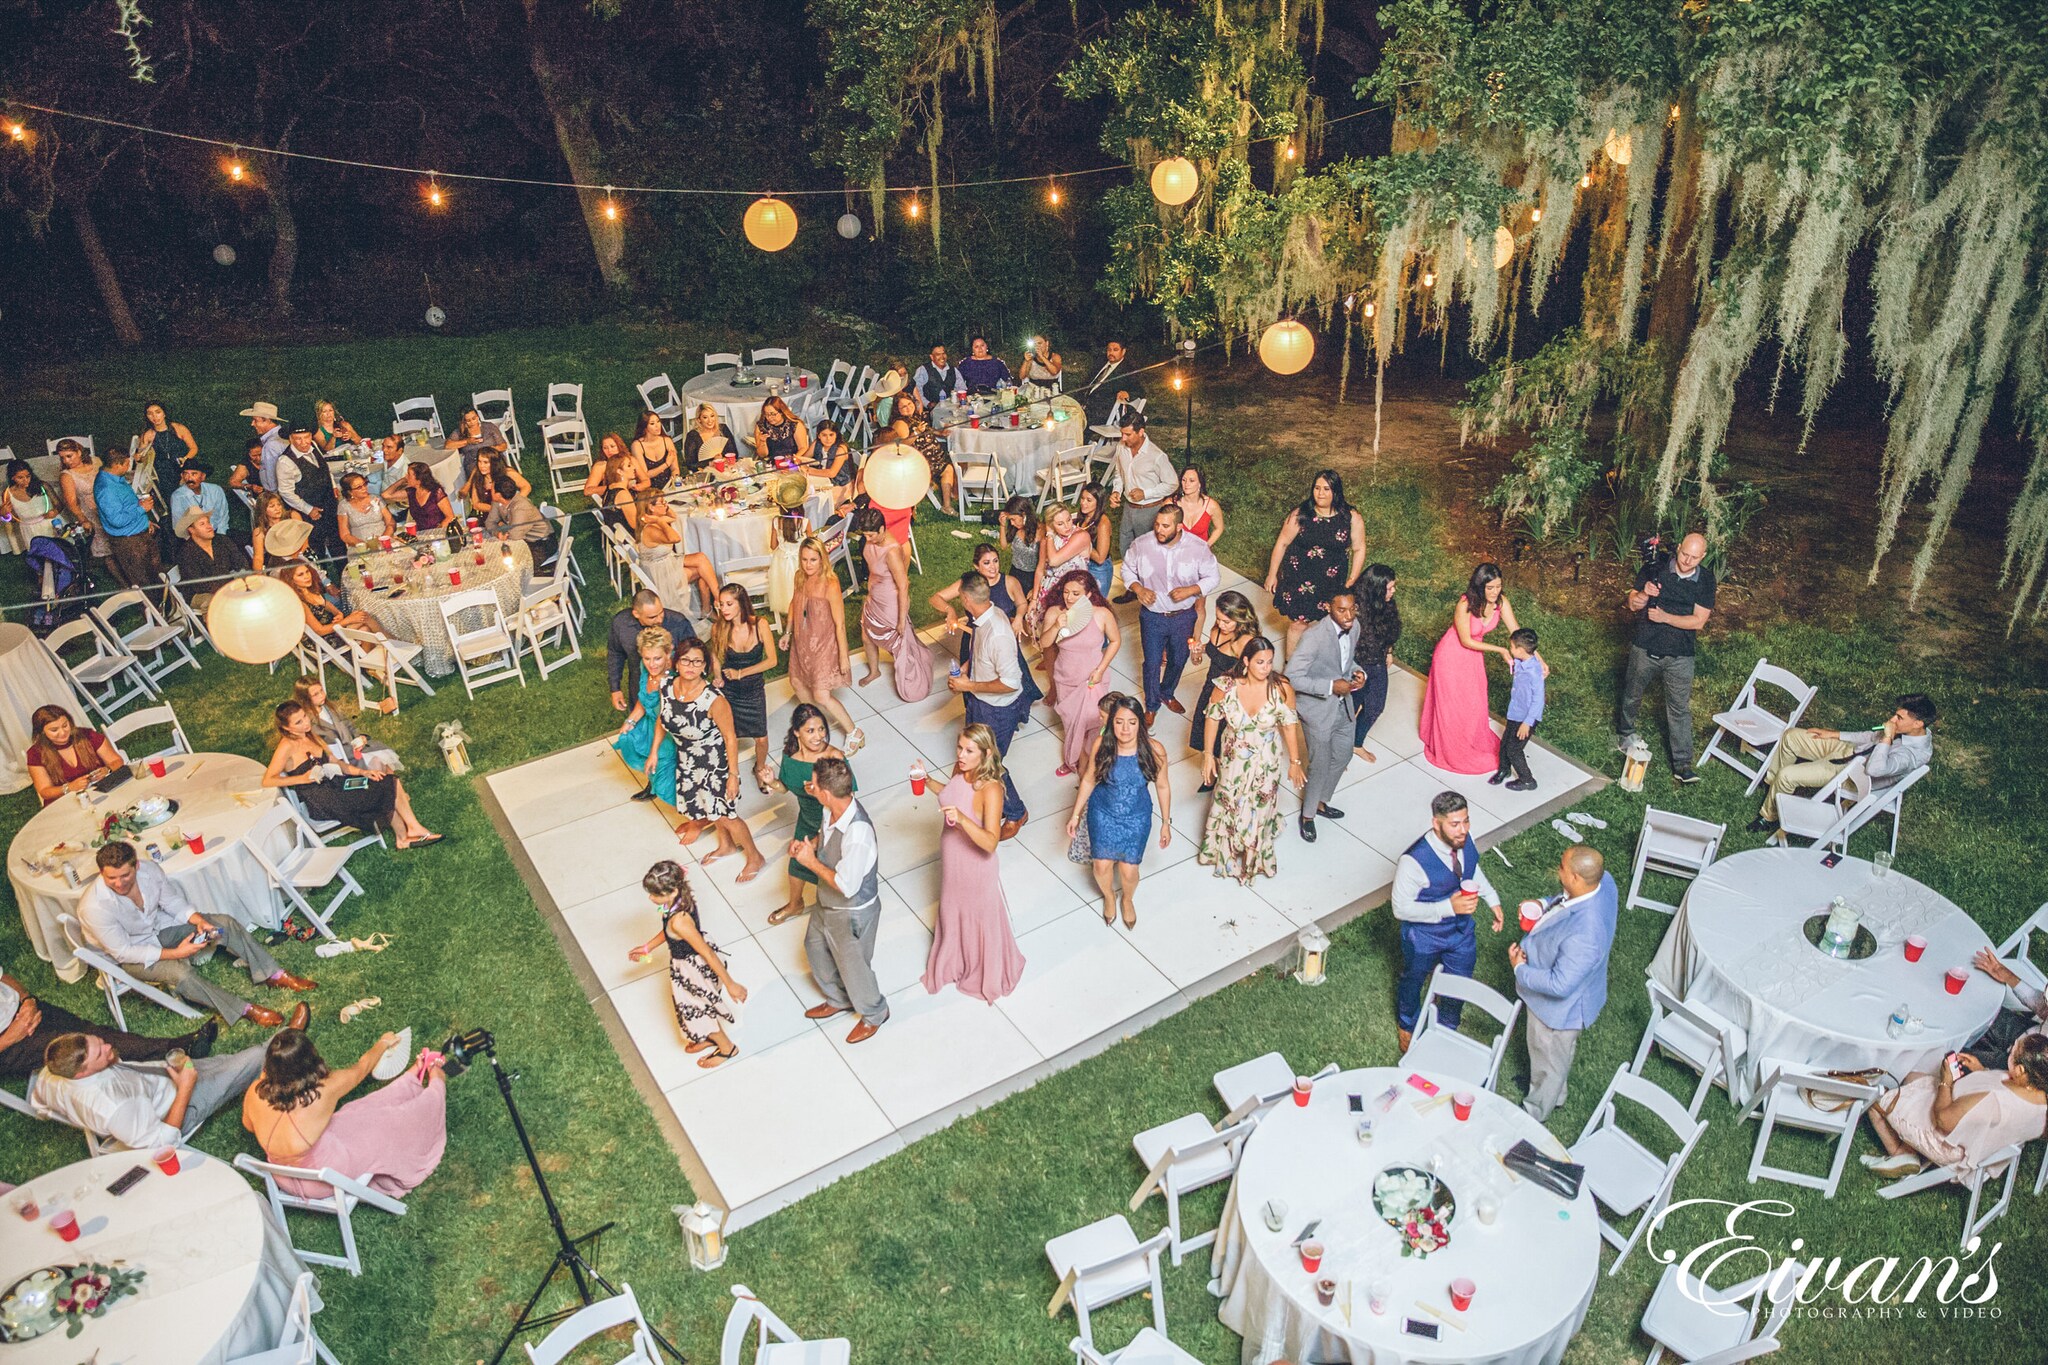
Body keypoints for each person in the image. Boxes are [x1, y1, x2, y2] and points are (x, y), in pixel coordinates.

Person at [76, 841, 313, 1027]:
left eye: (125, 876)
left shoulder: (149, 870)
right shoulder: (94, 906)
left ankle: (272, 973)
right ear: (101, 873)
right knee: (183, 974)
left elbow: (172, 902)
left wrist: (200, 922)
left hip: (160, 928)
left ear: (136, 866)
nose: (118, 883)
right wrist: (178, 953)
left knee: (224, 924)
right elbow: (124, 952)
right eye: (111, 878)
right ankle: (243, 1009)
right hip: (133, 956)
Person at [243, 1027, 448, 1197]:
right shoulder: (323, 1091)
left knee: (355, 1111)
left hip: (283, 1177)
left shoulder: (254, 1091)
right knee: (389, 1123)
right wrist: (383, 1043)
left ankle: (410, 1079)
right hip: (324, 1179)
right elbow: (362, 1067)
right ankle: (437, 1081)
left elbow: (249, 1126)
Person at [1510, 844, 1618, 1122]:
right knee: (1555, 1057)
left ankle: (1534, 1114)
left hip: (1558, 1012)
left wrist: (1520, 969)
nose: (1558, 870)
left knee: (1548, 1057)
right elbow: (1566, 900)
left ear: (1576, 878)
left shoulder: (1586, 934)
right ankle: (1555, 1094)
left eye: (1562, 868)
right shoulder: (1603, 882)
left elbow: (1559, 985)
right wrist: (1543, 904)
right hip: (1576, 992)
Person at [1392, 792, 1506, 1052]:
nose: (1463, 829)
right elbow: (1400, 908)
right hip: (1423, 936)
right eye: (1455, 824)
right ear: (1436, 823)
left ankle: (1447, 1026)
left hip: (1461, 931)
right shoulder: (1412, 862)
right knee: (1413, 979)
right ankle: (1407, 1024)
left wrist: (1492, 898)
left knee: (1460, 979)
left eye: (1466, 821)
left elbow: (1472, 869)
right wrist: (1448, 907)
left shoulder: (1464, 840)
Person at [924, 726, 1028, 1003]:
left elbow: (991, 842)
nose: (961, 755)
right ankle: (956, 959)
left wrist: (962, 819)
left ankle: (984, 970)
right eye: (959, 748)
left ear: (986, 753)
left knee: (978, 918)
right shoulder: (961, 770)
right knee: (952, 908)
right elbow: (950, 793)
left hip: (975, 865)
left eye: (969, 751)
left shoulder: (991, 789)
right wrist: (927, 780)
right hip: (953, 857)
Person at [31, 1031, 269, 1152]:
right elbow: (163, 1144)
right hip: (179, 1107)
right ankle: (285, 1046)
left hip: (159, 1077)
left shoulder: (49, 1076)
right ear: (81, 1073)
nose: (107, 1046)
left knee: (226, 1063)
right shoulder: (116, 1106)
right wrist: (185, 1087)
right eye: (100, 1053)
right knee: (253, 1060)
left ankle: (269, 1050)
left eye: (99, 1041)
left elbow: (38, 1102)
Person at [792, 757, 888, 1042]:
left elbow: (847, 886)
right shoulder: (830, 809)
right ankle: (839, 998)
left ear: (826, 792)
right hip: (827, 903)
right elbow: (829, 845)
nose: (810, 786)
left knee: (853, 966)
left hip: (851, 912)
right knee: (815, 946)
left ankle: (874, 1013)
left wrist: (809, 862)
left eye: (814, 784)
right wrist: (811, 848)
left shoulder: (858, 833)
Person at [1862, 1034, 2048, 1179]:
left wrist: (1946, 1082)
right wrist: (1982, 1071)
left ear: (2021, 1071)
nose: (2011, 1050)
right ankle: (1909, 1147)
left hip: (1946, 1143)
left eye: (2014, 1051)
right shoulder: (2041, 1101)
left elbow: (1943, 1120)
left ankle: (1899, 1153)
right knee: (1912, 1077)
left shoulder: (1994, 1101)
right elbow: (2006, 1107)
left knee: (1876, 1099)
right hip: (1974, 1137)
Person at [1748, 694, 1937, 834]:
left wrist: (1888, 737)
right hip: (1849, 751)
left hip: (1851, 774)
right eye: (1895, 715)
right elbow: (1870, 736)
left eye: (1899, 718)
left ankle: (1768, 817)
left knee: (1787, 775)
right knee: (1791, 736)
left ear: (1918, 723)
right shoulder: (1907, 730)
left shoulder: (1913, 755)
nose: (1892, 720)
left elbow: (1874, 769)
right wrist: (1833, 734)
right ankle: (1772, 787)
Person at [1197, 637, 1303, 885]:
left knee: (1260, 803)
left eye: (1269, 662)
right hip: (1233, 756)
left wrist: (1295, 762)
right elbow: (1212, 718)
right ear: (1246, 661)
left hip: (1267, 758)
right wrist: (1207, 755)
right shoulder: (1226, 686)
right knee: (1230, 799)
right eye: (1260, 662)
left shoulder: (1281, 688)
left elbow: (1289, 725)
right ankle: (1226, 850)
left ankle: (1253, 858)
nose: (1266, 668)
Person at [263, 700, 441, 847]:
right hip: (323, 799)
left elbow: (337, 763)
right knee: (385, 785)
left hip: (338, 784)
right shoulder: (287, 746)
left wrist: (364, 772)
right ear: (287, 729)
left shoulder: (310, 735)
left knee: (384, 779)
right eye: (298, 722)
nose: (306, 723)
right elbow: (268, 780)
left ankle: (405, 836)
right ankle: (410, 831)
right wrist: (301, 778)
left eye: (304, 717)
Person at [659, 638, 765, 880]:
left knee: (727, 813)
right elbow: (663, 717)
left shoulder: (713, 699)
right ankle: (726, 845)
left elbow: (730, 737)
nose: (690, 666)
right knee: (710, 808)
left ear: (705, 667)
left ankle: (754, 856)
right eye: (685, 660)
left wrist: (733, 776)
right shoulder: (667, 686)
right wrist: (655, 751)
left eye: (697, 662)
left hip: (715, 762)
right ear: (677, 663)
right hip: (688, 760)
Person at [1617, 531, 1716, 784]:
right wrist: (1645, 594)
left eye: (1695, 558)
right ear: (1679, 547)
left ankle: (1682, 764)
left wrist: (1665, 618)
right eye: (1684, 554)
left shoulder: (1705, 580)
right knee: (1632, 693)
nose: (1687, 561)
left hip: (1681, 655)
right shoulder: (1656, 565)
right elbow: (1633, 603)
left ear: (1703, 556)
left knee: (1679, 709)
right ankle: (1625, 734)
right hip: (1645, 646)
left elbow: (1699, 621)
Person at [629, 862, 747, 1068]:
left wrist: (731, 984)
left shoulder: (680, 921)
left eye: (655, 894)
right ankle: (708, 1038)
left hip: (692, 969)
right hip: (686, 961)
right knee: (696, 1007)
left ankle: (727, 1048)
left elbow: (706, 953)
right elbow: (669, 931)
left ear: (672, 891)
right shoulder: (677, 901)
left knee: (696, 1010)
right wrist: (648, 947)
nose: (651, 898)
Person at [1, 968, 215, 1080]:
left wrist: (27, 1000)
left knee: (89, 1032)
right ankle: (175, 1051)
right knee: (80, 1047)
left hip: (23, 1009)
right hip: (7, 1043)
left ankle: (165, 1051)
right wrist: (12, 1035)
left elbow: (4, 977)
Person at [1070, 697, 1172, 928]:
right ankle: (1108, 897)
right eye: (1119, 722)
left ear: (1140, 724)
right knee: (1101, 866)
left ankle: (1127, 899)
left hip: (1136, 817)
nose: (1125, 729)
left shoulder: (1155, 750)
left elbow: (1163, 786)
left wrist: (1166, 822)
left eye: (1132, 722)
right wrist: (1075, 815)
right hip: (1103, 813)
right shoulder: (1101, 745)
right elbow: (1088, 779)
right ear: (1111, 723)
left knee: (1129, 870)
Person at [1420, 562, 1526, 776]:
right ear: (1480, 586)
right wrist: (1500, 650)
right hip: (1451, 656)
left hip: (1473, 659)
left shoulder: (1501, 602)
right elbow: (1466, 640)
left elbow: (1517, 631)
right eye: (1490, 588)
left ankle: (1469, 740)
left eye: (1498, 586)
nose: (1495, 592)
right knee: (1453, 704)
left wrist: (1537, 659)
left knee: (1474, 701)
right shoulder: (1465, 604)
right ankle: (1452, 746)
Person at [950, 574, 1032, 838]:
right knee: (975, 759)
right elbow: (979, 650)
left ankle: (1017, 812)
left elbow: (1011, 683)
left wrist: (968, 686)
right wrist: (966, 668)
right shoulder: (985, 617)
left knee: (991, 766)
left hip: (998, 711)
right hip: (980, 703)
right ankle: (977, 800)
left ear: (965, 598)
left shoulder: (998, 634)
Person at [1124, 504, 1218, 727]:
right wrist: (1138, 589)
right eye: (1157, 524)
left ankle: (1167, 692)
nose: (1159, 530)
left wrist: (1191, 590)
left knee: (1178, 658)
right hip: (1152, 617)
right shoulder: (1142, 544)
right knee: (1152, 662)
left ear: (1179, 526)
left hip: (1183, 616)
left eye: (1165, 526)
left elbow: (1212, 576)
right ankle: (1151, 705)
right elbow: (1127, 569)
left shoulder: (1198, 548)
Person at [1289, 586, 1366, 842]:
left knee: (1343, 756)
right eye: (1341, 610)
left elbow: (1345, 662)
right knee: (1319, 765)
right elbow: (1292, 677)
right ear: (1328, 608)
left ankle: (1322, 801)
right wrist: (1331, 687)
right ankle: (1308, 815)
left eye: (1351, 609)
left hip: (1344, 705)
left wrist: (1357, 673)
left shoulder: (1354, 628)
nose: (1348, 616)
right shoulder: (1314, 636)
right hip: (1318, 710)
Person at [766, 704, 852, 926]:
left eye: (821, 729)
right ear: (797, 732)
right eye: (810, 731)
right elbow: (785, 787)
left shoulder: (834, 757)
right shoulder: (791, 757)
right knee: (797, 863)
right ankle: (795, 904)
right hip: (807, 818)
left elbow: (847, 797)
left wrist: (820, 792)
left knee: (834, 868)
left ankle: (840, 911)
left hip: (833, 820)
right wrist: (772, 782)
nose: (818, 736)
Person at [1264, 469, 1367, 654]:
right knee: (1298, 623)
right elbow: (1282, 543)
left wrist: (1352, 578)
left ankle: (1320, 664)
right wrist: (1272, 574)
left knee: (1328, 623)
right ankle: (1291, 668)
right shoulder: (1301, 514)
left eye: (1326, 489)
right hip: (1299, 577)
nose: (1320, 493)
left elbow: (1359, 548)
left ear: (1336, 491)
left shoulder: (1350, 517)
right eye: (1317, 488)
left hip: (1332, 580)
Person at [783, 535, 865, 752]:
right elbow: (794, 603)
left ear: (822, 560)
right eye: (804, 559)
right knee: (798, 683)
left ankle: (854, 732)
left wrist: (843, 656)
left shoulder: (830, 583)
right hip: (802, 640)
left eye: (813, 560)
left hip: (824, 643)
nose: (808, 565)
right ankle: (813, 727)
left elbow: (839, 623)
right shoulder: (800, 576)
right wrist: (787, 632)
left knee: (821, 694)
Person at [931, 543, 1035, 705]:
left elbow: (1022, 604)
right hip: (975, 639)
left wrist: (1019, 618)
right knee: (973, 682)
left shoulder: (1009, 582)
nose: (993, 567)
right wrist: (950, 610)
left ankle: (1008, 715)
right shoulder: (969, 584)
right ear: (976, 566)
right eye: (986, 563)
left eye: (995, 561)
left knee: (1008, 681)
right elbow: (936, 597)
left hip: (1001, 639)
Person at [1039, 569, 1119, 776]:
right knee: (1072, 723)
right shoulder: (1055, 612)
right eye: (1066, 592)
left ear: (1089, 595)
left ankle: (1097, 763)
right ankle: (1072, 759)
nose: (1069, 598)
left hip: (1094, 677)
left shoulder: (1101, 614)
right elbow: (1044, 643)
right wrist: (1057, 625)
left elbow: (1116, 641)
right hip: (1066, 677)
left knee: (1095, 723)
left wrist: (1101, 669)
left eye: (1076, 593)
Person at [854, 506, 932, 703]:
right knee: (867, 634)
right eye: (865, 535)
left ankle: (912, 680)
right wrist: (870, 591)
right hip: (875, 596)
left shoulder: (891, 551)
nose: (868, 539)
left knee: (897, 643)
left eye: (871, 535)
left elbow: (903, 585)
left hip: (890, 601)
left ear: (881, 529)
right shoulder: (871, 541)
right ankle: (874, 671)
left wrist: (900, 620)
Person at [1108, 412, 1178, 589]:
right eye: (1122, 434)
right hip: (1129, 508)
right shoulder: (1121, 448)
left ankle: (1150, 589)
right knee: (1126, 547)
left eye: (1128, 434)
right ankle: (1132, 588)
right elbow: (1119, 474)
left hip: (1149, 510)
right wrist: (1117, 491)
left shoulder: (1156, 456)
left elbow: (1172, 483)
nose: (1123, 438)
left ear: (1141, 432)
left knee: (1147, 552)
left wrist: (1146, 493)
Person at [1190, 590, 1257, 767]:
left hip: (1231, 696)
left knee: (1225, 739)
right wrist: (1200, 650)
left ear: (1240, 618)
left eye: (1226, 621)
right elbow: (1214, 649)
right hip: (1210, 687)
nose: (1221, 624)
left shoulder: (1246, 642)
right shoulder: (1216, 630)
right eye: (1218, 618)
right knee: (1205, 731)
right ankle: (1210, 767)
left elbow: (1254, 675)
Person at [616, 627, 680, 805]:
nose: (652, 664)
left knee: (665, 776)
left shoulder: (671, 680)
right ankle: (652, 787)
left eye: (657, 658)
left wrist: (654, 751)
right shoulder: (647, 670)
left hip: (667, 733)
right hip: (650, 724)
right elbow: (643, 699)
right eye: (647, 658)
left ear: (668, 654)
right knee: (629, 739)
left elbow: (664, 718)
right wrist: (630, 721)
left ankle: (696, 816)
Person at [608, 590, 697, 714]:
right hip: (640, 686)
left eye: (661, 613)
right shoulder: (621, 624)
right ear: (636, 614)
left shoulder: (678, 623)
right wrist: (615, 688)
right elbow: (615, 653)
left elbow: (695, 655)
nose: (660, 619)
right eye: (652, 617)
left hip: (675, 689)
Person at [633, 496, 721, 611]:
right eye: (662, 502)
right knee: (704, 571)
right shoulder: (651, 529)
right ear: (651, 507)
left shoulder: (652, 523)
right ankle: (715, 603)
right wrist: (659, 521)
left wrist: (663, 510)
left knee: (701, 558)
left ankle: (714, 602)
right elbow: (675, 538)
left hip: (666, 565)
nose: (666, 505)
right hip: (662, 576)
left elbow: (674, 517)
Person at [26, 704, 124, 806]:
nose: (63, 732)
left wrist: (107, 769)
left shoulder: (87, 736)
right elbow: (45, 791)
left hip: (100, 792)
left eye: (65, 725)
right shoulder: (36, 753)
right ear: (42, 732)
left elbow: (117, 761)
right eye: (54, 730)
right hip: (65, 802)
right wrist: (69, 787)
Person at [1351, 563, 1401, 761]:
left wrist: (1389, 650)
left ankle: (1356, 742)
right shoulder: (1355, 610)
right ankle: (1338, 748)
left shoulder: (1387, 604)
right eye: (1389, 588)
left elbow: (1390, 630)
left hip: (1377, 662)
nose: (1393, 592)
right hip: (1355, 665)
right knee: (1349, 708)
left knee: (1375, 707)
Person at [1966, 949, 2048, 1069]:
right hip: (2023, 1032)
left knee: (1954, 1059)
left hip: (2028, 1070)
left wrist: (1985, 1073)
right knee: (1978, 1009)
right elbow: (2041, 1006)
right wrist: (2006, 975)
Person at [94, 446, 161, 592]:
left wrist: (144, 520)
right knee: (144, 581)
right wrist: (141, 509)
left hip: (139, 533)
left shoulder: (116, 478)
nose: (129, 466)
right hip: (130, 542)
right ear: (117, 465)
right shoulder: (106, 489)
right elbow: (117, 520)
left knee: (155, 575)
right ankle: (153, 611)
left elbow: (126, 505)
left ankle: (166, 606)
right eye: (127, 463)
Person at [293, 676, 400, 767]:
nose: (322, 695)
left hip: (356, 747)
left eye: (321, 690)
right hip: (342, 758)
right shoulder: (308, 722)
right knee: (377, 763)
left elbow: (348, 724)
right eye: (315, 694)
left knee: (385, 763)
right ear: (305, 698)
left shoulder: (330, 707)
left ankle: (396, 790)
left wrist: (359, 737)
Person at [274, 425, 343, 561]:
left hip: (329, 504)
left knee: (337, 542)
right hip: (310, 513)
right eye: (298, 439)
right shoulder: (285, 462)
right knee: (316, 548)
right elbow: (286, 492)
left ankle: (343, 571)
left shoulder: (314, 446)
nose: (304, 442)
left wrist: (333, 485)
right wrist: (308, 509)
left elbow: (324, 467)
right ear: (291, 439)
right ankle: (321, 577)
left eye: (306, 437)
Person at [1493, 628, 1546, 792]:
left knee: (1514, 749)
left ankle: (1527, 779)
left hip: (1526, 718)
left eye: (1512, 647)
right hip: (1515, 712)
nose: (1510, 649)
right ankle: (1504, 769)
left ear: (1521, 650)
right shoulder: (1523, 663)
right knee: (1505, 743)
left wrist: (1527, 723)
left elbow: (1538, 699)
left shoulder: (1534, 672)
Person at [279, 560, 382, 642]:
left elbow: (332, 608)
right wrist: (348, 620)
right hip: (324, 639)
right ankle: (393, 644)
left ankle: (370, 664)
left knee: (364, 626)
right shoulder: (300, 603)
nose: (307, 576)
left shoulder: (312, 592)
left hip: (334, 630)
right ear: (291, 580)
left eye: (307, 572)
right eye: (300, 575)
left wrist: (339, 614)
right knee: (364, 618)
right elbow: (319, 631)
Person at [55, 438, 108, 564]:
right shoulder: (67, 475)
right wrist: (83, 519)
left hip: (107, 503)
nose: (66, 461)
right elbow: (71, 503)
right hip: (90, 510)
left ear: (78, 452)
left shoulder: (96, 462)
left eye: (69, 456)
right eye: (62, 458)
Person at [585, 432, 650, 531]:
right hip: (617, 503)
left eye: (612, 446)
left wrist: (638, 487)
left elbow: (646, 481)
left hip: (634, 497)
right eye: (605, 448)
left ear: (619, 446)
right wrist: (615, 487)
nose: (609, 451)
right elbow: (587, 491)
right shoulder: (601, 466)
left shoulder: (629, 460)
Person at [1035, 501, 1095, 605]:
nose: (1067, 526)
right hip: (1050, 590)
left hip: (1074, 593)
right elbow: (1040, 569)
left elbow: (1054, 561)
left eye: (1069, 520)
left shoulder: (1081, 536)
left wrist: (1049, 534)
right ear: (1051, 525)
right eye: (1060, 524)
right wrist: (1034, 599)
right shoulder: (1048, 541)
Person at [483, 472, 552, 560]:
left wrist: (501, 526)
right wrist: (497, 533)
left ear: (498, 495)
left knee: (506, 561)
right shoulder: (498, 501)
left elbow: (515, 535)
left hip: (540, 544)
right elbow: (489, 522)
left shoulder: (521, 507)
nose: (489, 489)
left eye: (492, 488)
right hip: (522, 540)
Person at [136, 400, 200, 495]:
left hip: (182, 466)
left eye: (158, 412)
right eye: (150, 414)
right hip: (163, 472)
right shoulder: (148, 435)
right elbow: (140, 456)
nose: (154, 417)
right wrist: (139, 457)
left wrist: (185, 459)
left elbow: (194, 448)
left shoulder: (178, 428)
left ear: (164, 413)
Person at [1077, 340, 1139, 430]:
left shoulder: (1127, 370)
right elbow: (1087, 384)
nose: (1111, 353)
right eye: (1109, 350)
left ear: (1123, 351)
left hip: (1102, 412)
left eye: (1115, 350)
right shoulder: (1101, 364)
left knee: (1074, 423)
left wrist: (1127, 394)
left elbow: (1140, 390)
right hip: (1084, 404)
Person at [168, 461, 231, 543]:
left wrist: (221, 538)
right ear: (182, 476)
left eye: (194, 474)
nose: (189, 478)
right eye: (186, 474)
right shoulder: (178, 497)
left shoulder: (216, 490)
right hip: (195, 538)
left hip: (218, 533)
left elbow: (223, 517)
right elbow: (179, 526)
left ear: (203, 476)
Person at [2, 458, 58, 549]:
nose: (26, 480)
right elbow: (14, 519)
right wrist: (4, 515)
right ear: (12, 477)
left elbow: (59, 504)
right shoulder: (7, 494)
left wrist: (55, 511)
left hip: (49, 524)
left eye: (28, 476)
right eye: (20, 478)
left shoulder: (42, 486)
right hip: (29, 529)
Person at [443, 407, 509, 482]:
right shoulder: (460, 432)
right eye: (468, 420)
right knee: (477, 474)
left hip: (492, 457)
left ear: (478, 416)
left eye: (474, 418)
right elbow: (448, 445)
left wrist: (490, 450)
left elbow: (504, 445)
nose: (472, 422)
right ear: (464, 422)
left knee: (497, 469)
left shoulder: (489, 427)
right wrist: (467, 441)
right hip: (473, 461)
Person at [998, 496, 1040, 614]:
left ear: (1024, 514)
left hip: (1032, 577)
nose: (1012, 522)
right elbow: (1003, 546)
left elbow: (1044, 564)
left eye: (1013, 519)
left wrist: (1036, 588)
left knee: (1025, 612)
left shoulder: (1040, 531)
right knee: (1009, 609)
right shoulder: (1016, 529)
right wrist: (1002, 526)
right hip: (1015, 572)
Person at [461, 448, 530, 518]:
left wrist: (513, 503)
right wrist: (495, 509)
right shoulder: (478, 477)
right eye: (479, 462)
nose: (481, 466)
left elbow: (526, 487)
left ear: (494, 463)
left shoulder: (507, 472)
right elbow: (476, 504)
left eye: (485, 462)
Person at [1074, 483, 1116, 598]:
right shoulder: (1083, 517)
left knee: (1096, 607)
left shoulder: (1103, 523)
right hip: (1083, 565)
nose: (1083, 503)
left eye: (1089, 500)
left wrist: (1080, 543)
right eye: (1082, 498)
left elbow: (1100, 558)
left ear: (1098, 502)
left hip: (1098, 570)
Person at [336, 471, 396, 549]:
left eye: (364, 484)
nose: (364, 488)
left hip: (384, 542)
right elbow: (345, 535)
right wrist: (363, 544)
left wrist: (384, 538)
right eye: (359, 487)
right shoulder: (343, 506)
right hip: (360, 547)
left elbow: (391, 523)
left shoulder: (376, 499)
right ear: (350, 492)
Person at [241, 400, 289, 491]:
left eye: (255, 420)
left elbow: (272, 477)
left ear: (267, 420)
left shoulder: (271, 444)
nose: (252, 424)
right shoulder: (282, 436)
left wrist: (272, 496)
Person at [248, 492, 301, 573]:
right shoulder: (260, 531)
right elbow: (258, 558)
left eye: (279, 504)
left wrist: (294, 558)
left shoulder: (293, 516)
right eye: (272, 506)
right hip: (278, 563)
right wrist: (259, 575)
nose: (277, 508)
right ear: (263, 510)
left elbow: (304, 540)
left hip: (300, 555)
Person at [751, 396, 812, 465]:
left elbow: (803, 448)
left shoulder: (795, 424)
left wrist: (793, 460)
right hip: (772, 463)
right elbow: (762, 455)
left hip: (793, 461)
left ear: (781, 412)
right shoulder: (761, 427)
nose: (769, 418)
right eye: (766, 414)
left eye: (773, 414)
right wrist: (762, 442)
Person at [632, 411, 681, 492]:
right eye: (652, 423)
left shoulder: (667, 441)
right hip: (649, 490)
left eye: (658, 421)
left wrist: (673, 483)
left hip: (669, 486)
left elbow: (675, 469)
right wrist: (666, 464)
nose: (657, 426)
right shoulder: (637, 446)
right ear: (645, 427)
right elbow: (645, 475)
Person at [1173, 465, 1223, 543]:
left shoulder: (1211, 506)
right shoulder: (1171, 504)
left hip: (1200, 553)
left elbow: (1219, 528)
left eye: (1191, 480)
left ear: (1200, 483)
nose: (1186, 484)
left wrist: (1206, 546)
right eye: (1184, 480)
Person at [681, 404, 739, 471]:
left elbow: (734, 453)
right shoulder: (692, 436)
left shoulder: (723, 429)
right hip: (706, 472)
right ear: (699, 419)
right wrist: (711, 462)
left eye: (712, 416)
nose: (710, 421)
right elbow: (690, 464)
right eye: (705, 417)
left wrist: (723, 459)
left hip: (727, 469)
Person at [810, 420, 855, 501]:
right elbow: (805, 458)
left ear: (836, 435)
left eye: (831, 435)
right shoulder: (817, 444)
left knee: (815, 499)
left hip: (841, 485)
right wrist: (795, 460)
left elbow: (832, 473)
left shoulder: (840, 449)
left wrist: (808, 470)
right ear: (818, 435)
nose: (828, 439)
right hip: (824, 480)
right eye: (824, 435)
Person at [913, 343, 963, 408]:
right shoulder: (923, 370)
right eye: (938, 354)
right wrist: (928, 404)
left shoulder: (953, 370)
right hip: (930, 410)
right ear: (931, 357)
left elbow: (961, 389)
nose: (942, 357)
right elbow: (916, 392)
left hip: (950, 409)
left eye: (943, 353)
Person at [367, 433, 412, 500]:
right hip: (380, 489)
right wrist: (367, 478)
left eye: (389, 447)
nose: (384, 450)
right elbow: (385, 472)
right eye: (383, 446)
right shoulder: (389, 457)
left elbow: (403, 502)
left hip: (390, 501)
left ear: (400, 451)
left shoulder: (405, 471)